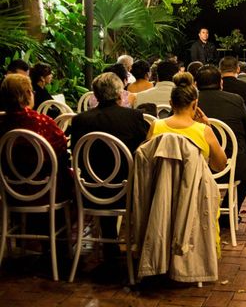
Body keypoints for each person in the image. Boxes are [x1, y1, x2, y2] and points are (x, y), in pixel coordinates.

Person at [69, 72, 149, 260]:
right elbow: (145, 151)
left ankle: (109, 246)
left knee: (102, 171)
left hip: (89, 191)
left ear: (95, 95)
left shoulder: (80, 120)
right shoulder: (133, 117)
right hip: (127, 191)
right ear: (120, 93)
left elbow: (75, 153)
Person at [195, 65, 246, 216]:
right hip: (231, 167)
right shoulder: (235, 100)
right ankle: (229, 210)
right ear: (221, 83)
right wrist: (244, 150)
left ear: (196, 84)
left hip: (196, 166)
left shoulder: (190, 104)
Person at [0, 74, 72, 202]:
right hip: (45, 189)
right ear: (28, 93)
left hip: (10, 189)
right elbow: (61, 146)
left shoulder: (3, 122)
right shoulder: (41, 121)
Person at [146, 72, 226, 172]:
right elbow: (220, 166)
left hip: (161, 185)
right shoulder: (204, 130)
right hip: (194, 186)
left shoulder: (156, 126)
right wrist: (208, 126)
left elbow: (146, 161)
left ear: (171, 103)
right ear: (195, 104)